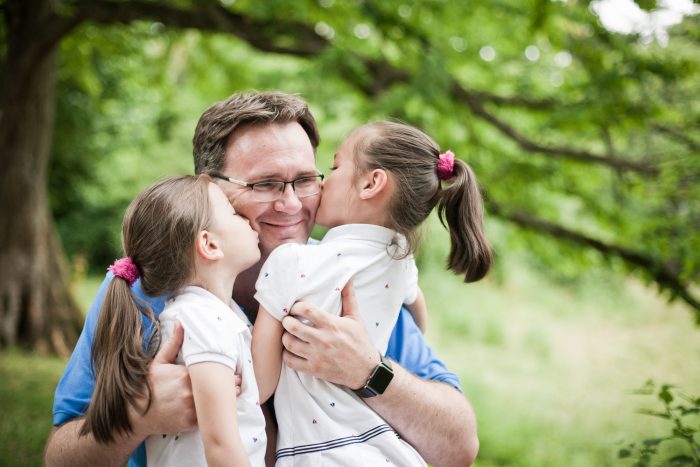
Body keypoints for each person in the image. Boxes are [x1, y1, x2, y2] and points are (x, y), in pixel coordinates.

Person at [45, 91, 479, 467]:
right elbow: (59, 457)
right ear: (209, 187)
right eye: (266, 184)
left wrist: (370, 371)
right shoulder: (145, 289)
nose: (291, 205)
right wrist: (138, 415)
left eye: (306, 180)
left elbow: (459, 447)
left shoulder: (347, 280)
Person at [252, 121, 491, 464]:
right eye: (265, 183)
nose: (324, 181)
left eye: (333, 167)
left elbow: (260, 386)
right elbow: (416, 312)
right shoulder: (400, 262)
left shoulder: (292, 263)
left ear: (371, 182)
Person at [81, 175, 266, 466]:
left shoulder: (207, 314)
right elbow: (221, 446)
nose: (248, 219)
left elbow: (256, 391)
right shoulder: (204, 319)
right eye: (233, 212)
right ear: (210, 244)